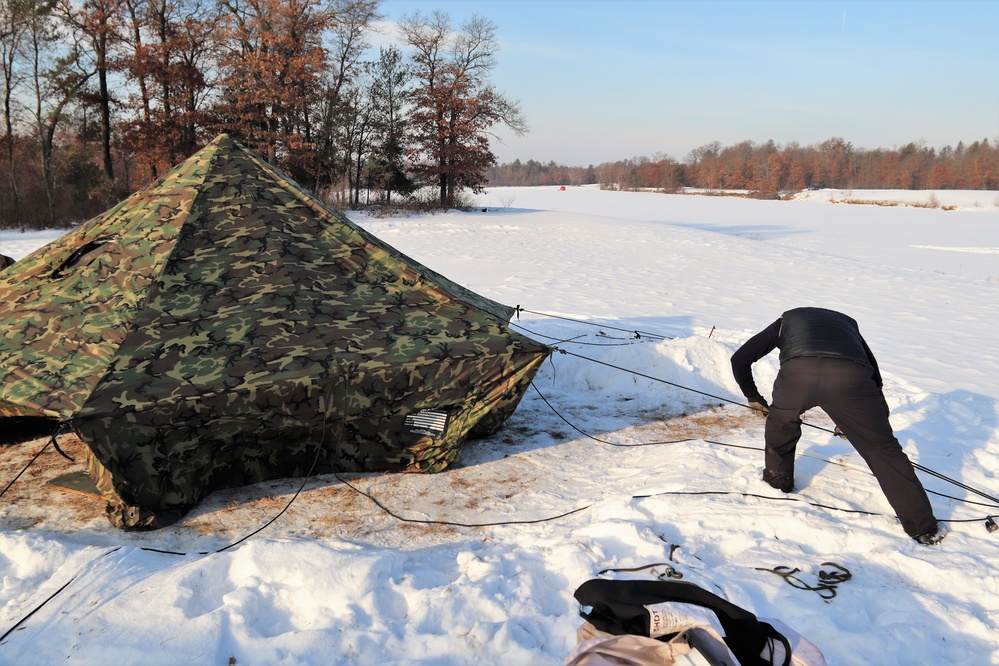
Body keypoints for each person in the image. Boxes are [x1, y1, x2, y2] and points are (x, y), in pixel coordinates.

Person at [731, 306, 942, 545]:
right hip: (851, 379)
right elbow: (874, 376)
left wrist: (753, 397)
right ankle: (923, 528)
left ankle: (778, 484)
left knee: (781, 426)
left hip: (798, 377)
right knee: (884, 451)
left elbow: (739, 359)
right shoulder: (849, 327)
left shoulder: (786, 321)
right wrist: (860, 421)